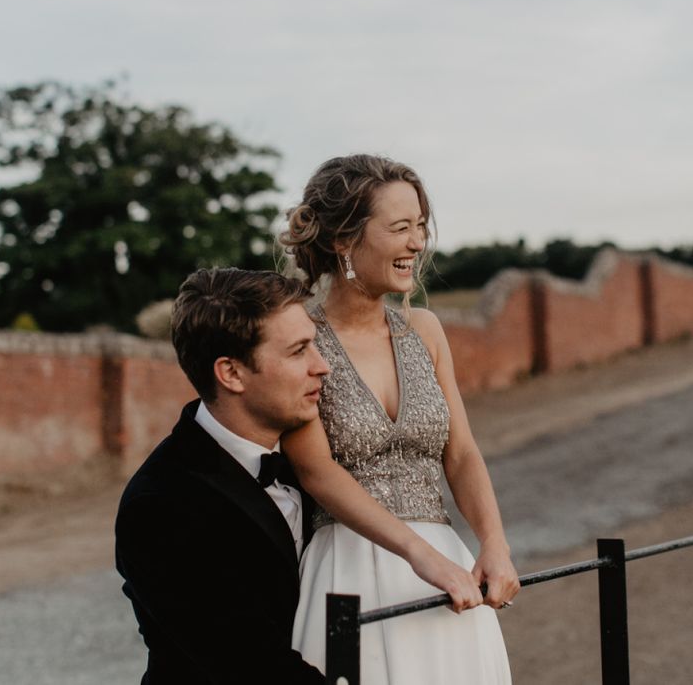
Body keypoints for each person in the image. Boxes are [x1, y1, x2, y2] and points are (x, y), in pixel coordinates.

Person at [279, 154, 519, 683]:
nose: (417, 243)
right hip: (347, 569)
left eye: (420, 227)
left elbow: (461, 453)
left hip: (444, 572)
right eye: (400, 228)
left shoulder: (426, 330)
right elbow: (317, 471)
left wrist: (493, 544)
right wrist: (418, 555)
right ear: (344, 241)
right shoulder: (300, 337)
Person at [115, 268, 328, 684]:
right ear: (231, 373)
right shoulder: (160, 505)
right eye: (298, 351)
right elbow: (250, 665)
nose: (322, 366)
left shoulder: (314, 463)